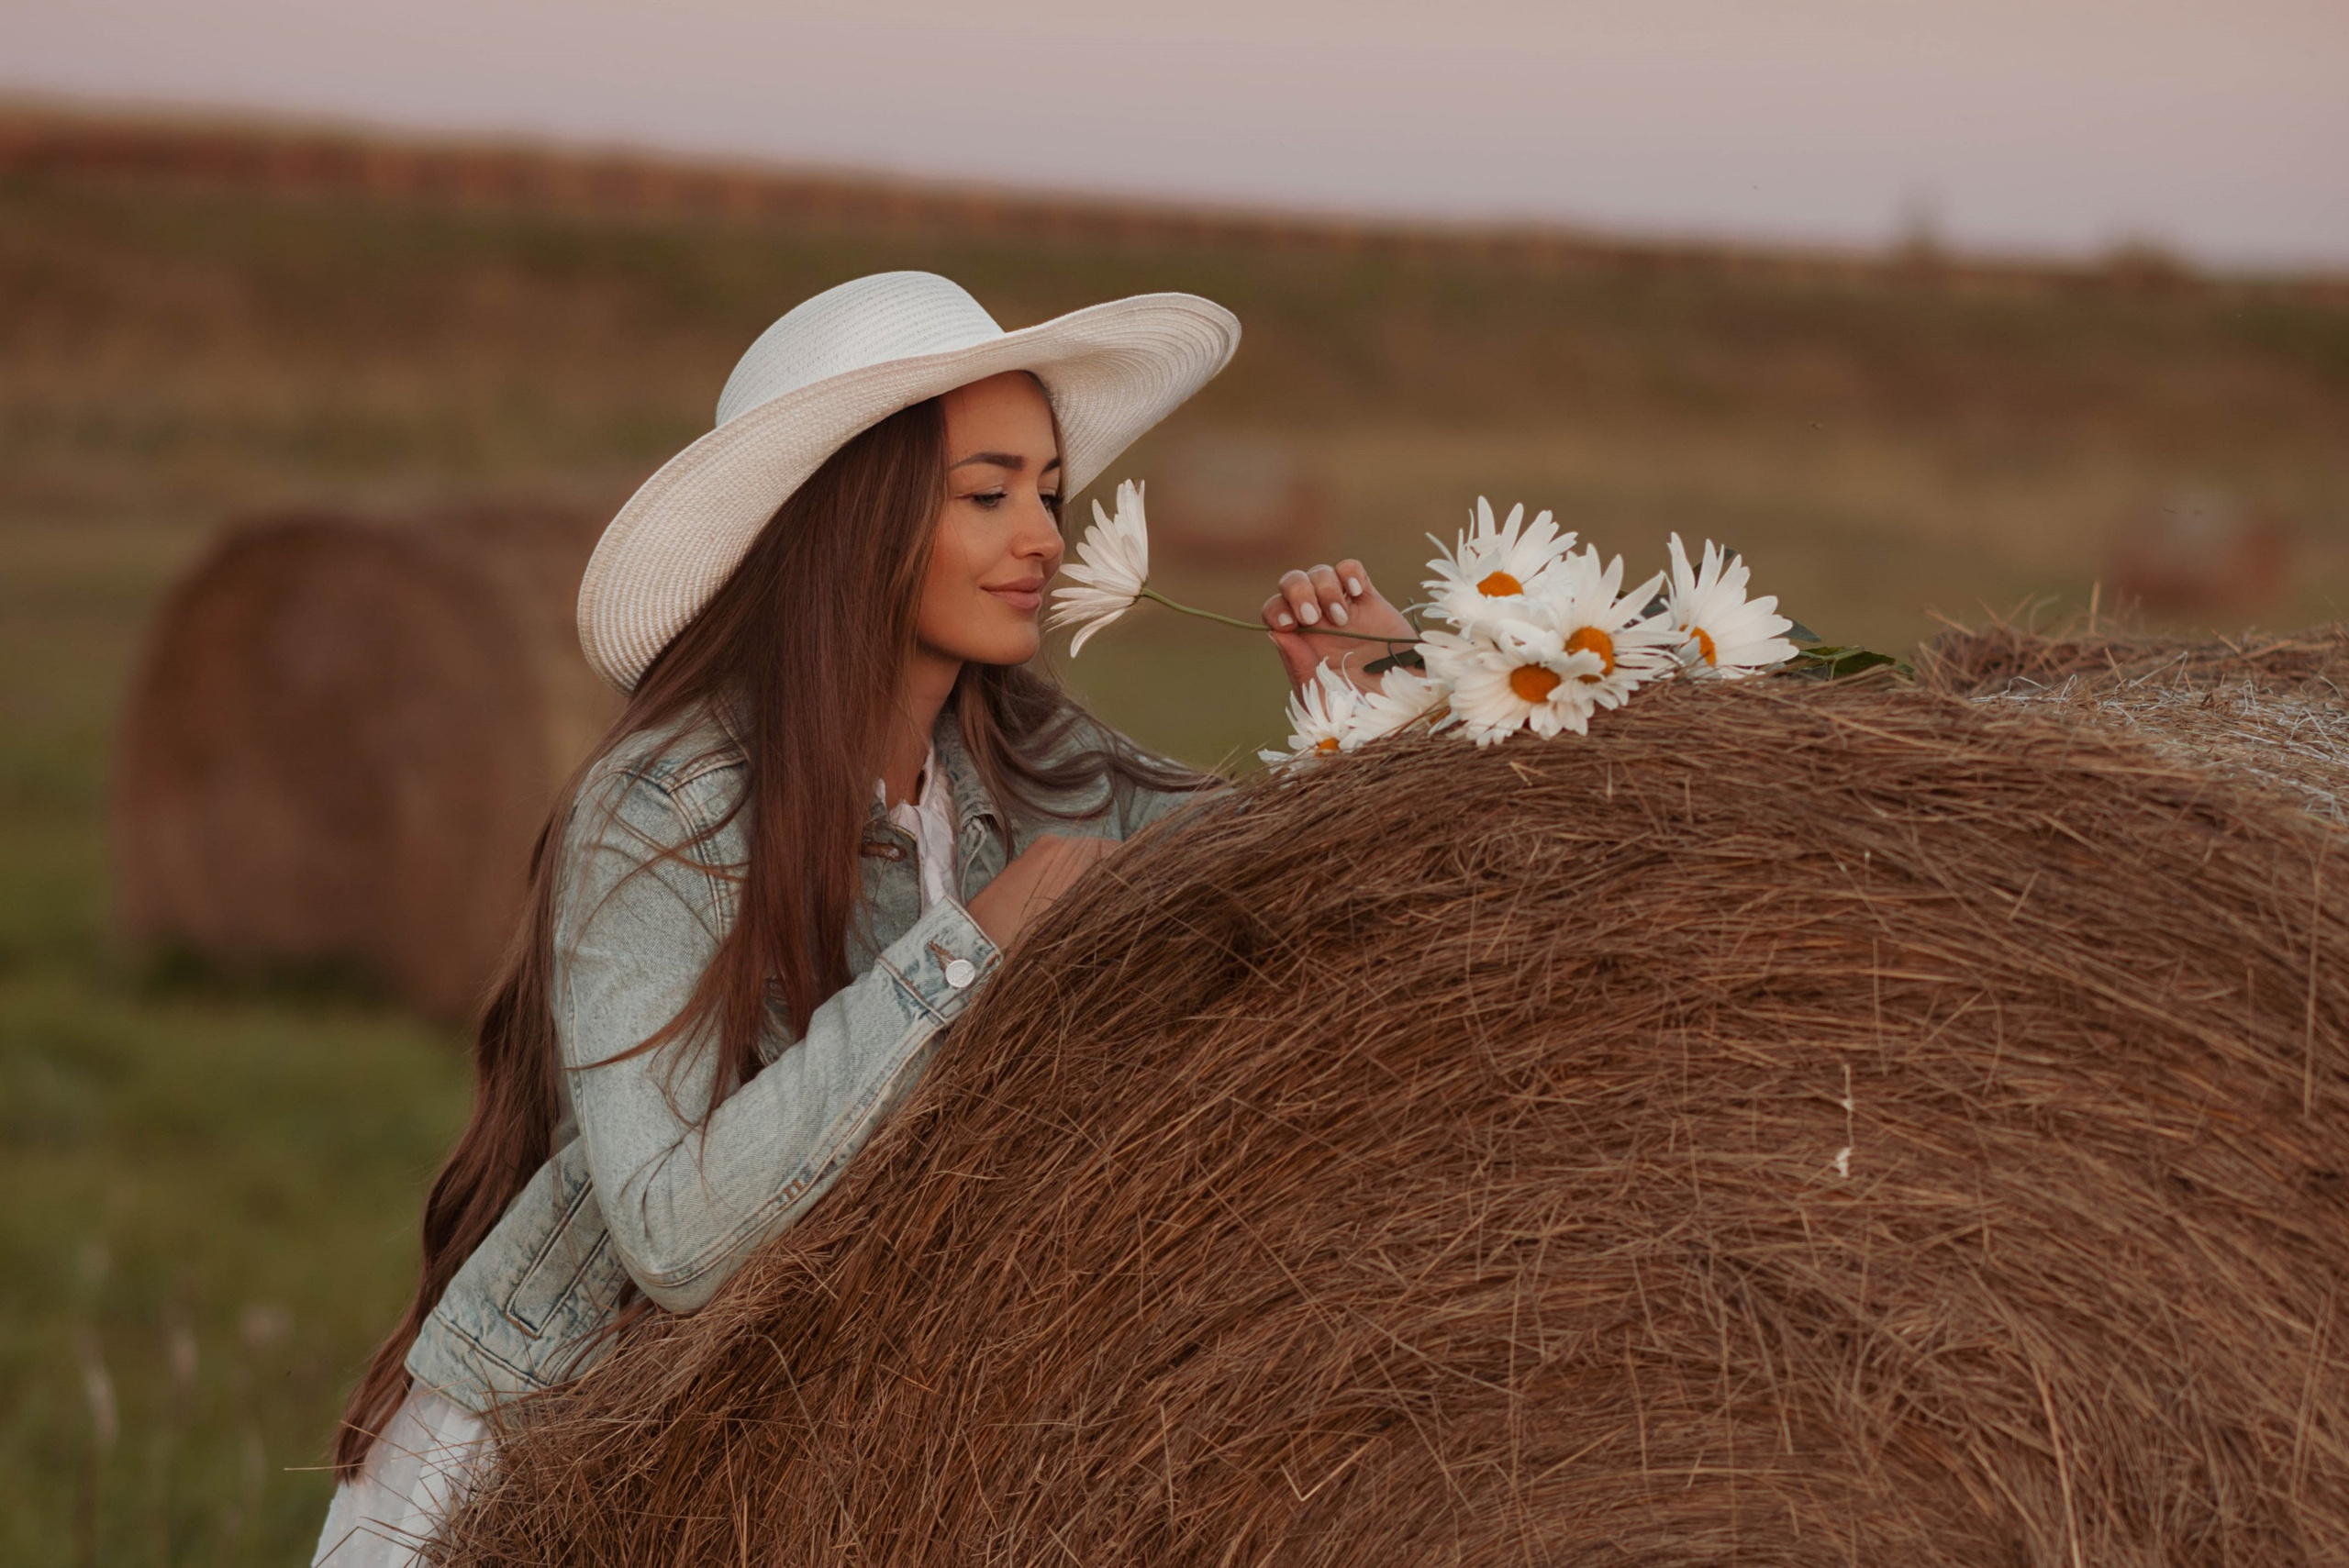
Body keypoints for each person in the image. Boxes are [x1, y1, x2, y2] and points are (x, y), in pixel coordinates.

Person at [312, 271, 1413, 1564]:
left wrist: (1373, 710)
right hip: (545, 1475)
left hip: (801, 1458)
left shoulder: (1028, 762)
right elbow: (670, 1231)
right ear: (858, 518)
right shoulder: (668, 803)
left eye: (1050, 492)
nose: (1048, 538)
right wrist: (971, 947)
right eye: (989, 493)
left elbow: (1273, 889)